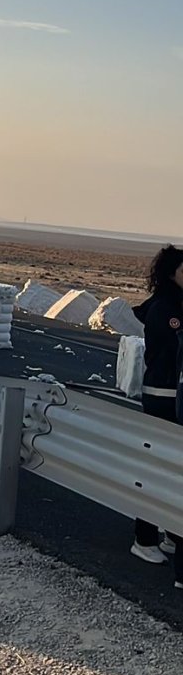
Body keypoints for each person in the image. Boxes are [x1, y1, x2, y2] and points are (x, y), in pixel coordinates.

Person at [131, 244, 183, 580]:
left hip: (174, 395)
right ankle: (144, 537)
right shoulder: (165, 308)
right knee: (155, 468)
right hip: (161, 395)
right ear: (171, 273)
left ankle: (170, 534)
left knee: (172, 469)